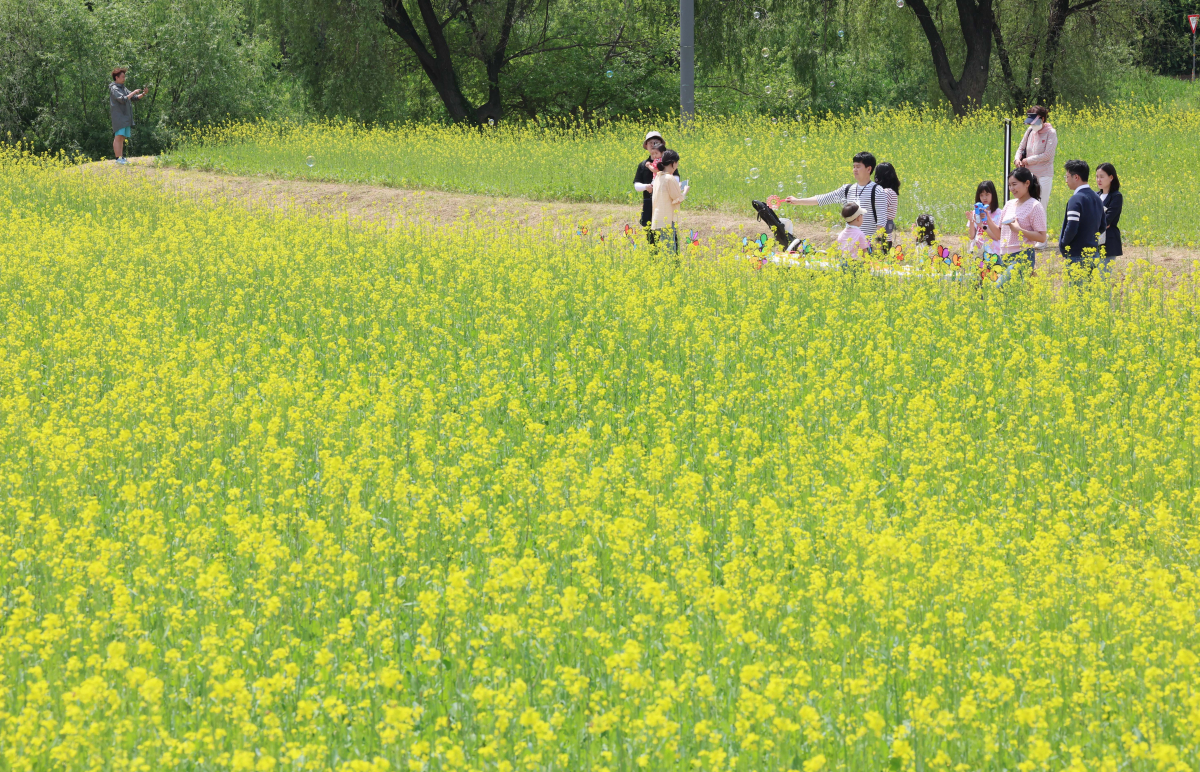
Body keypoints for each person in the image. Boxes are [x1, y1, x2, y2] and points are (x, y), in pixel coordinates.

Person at [785, 152, 888, 242]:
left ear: (869, 169)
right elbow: (822, 199)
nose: (854, 170)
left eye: (858, 167)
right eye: (853, 167)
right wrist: (797, 201)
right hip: (849, 245)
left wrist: (876, 246)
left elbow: (881, 223)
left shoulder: (877, 191)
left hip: (867, 247)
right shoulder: (847, 189)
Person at [985, 168, 1047, 273]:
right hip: (1004, 256)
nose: (1011, 188)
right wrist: (987, 218)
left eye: (1014, 184)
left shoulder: (1035, 206)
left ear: (1027, 183)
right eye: (1009, 185)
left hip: (1022, 256)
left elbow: (1042, 237)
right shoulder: (1009, 204)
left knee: (999, 287)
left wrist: (1019, 230)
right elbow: (999, 235)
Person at [1014, 105, 1058, 226]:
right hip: (1029, 175)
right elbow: (1021, 147)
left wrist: (1028, 160)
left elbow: (1047, 155)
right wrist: (1017, 159)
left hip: (1044, 174)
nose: (1032, 125)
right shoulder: (1029, 131)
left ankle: (1041, 238)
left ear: (1043, 119)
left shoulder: (1051, 133)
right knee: (1028, 204)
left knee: (1041, 205)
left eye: (1034, 122)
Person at [1057, 159, 1105, 269]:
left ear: (1076, 177)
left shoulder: (1076, 199)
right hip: (1094, 253)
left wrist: (1064, 244)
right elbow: (1102, 225)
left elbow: (1072, 227)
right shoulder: (1097, 197)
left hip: (1077, 255)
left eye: (1067, 177)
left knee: (1076, 286)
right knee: (1089, 286)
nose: (1066, 181)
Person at [634, 131, 680, 244]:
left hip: (665, 203)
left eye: (656, 142)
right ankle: (653, 258)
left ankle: (673, 259)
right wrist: (646, 187)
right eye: (650, 142)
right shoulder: (643, 164)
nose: (653, 144)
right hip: (649, 202)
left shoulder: (667, 163)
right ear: (646, 146)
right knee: (650, 234)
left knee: (669, 233)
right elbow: (636, 185)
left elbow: (676, 179)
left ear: (662, 146)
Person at [650, 149, 686, 255]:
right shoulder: (670, 178)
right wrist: (685, 192)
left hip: (658, 218)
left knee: (664, 248)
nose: (677, 165)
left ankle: (665, 269)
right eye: (677, 163)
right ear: (673, 163)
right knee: (670, 249)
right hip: (667, 219)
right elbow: (677, 198)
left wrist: (676, 188)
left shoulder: (658, 177)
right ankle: (670, 270)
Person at [109, 67, 147, 164]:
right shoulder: (114, 88)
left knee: (122, 137)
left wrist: (143, 94)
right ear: (116, 77)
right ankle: (118, 159)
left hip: (125, 117)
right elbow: (123, 99)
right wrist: (134, 92)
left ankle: (121, 158)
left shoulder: (123, 88)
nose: (124, 79)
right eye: (122, 77)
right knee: (118, 136)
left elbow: (133, 98)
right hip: (119, 117)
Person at [1095, 162, 1123, 259]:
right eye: (1097, 177)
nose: (1098, 180)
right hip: (1093, 242)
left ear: (1111, 177)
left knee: (1103, 273)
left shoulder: (1116, 196)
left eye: (1102, 177)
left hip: (1108, 242)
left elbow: (1107, 220)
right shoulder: (1095, 196)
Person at [967, 180, 1002, 253]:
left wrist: (982, 225)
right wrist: (972, 221)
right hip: (977, 251)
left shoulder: (999, 213)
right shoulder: (975, 212)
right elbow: (971, 236)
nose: (984, 198)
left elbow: (996, 237)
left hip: (993, 252)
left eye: (987, 194)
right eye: (981, 195)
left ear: (993, 195)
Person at [873, 161, 901, 250]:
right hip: (885, 235)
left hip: (881, 236)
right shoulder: (891, 192)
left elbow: (879, 212)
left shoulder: (886, 192)